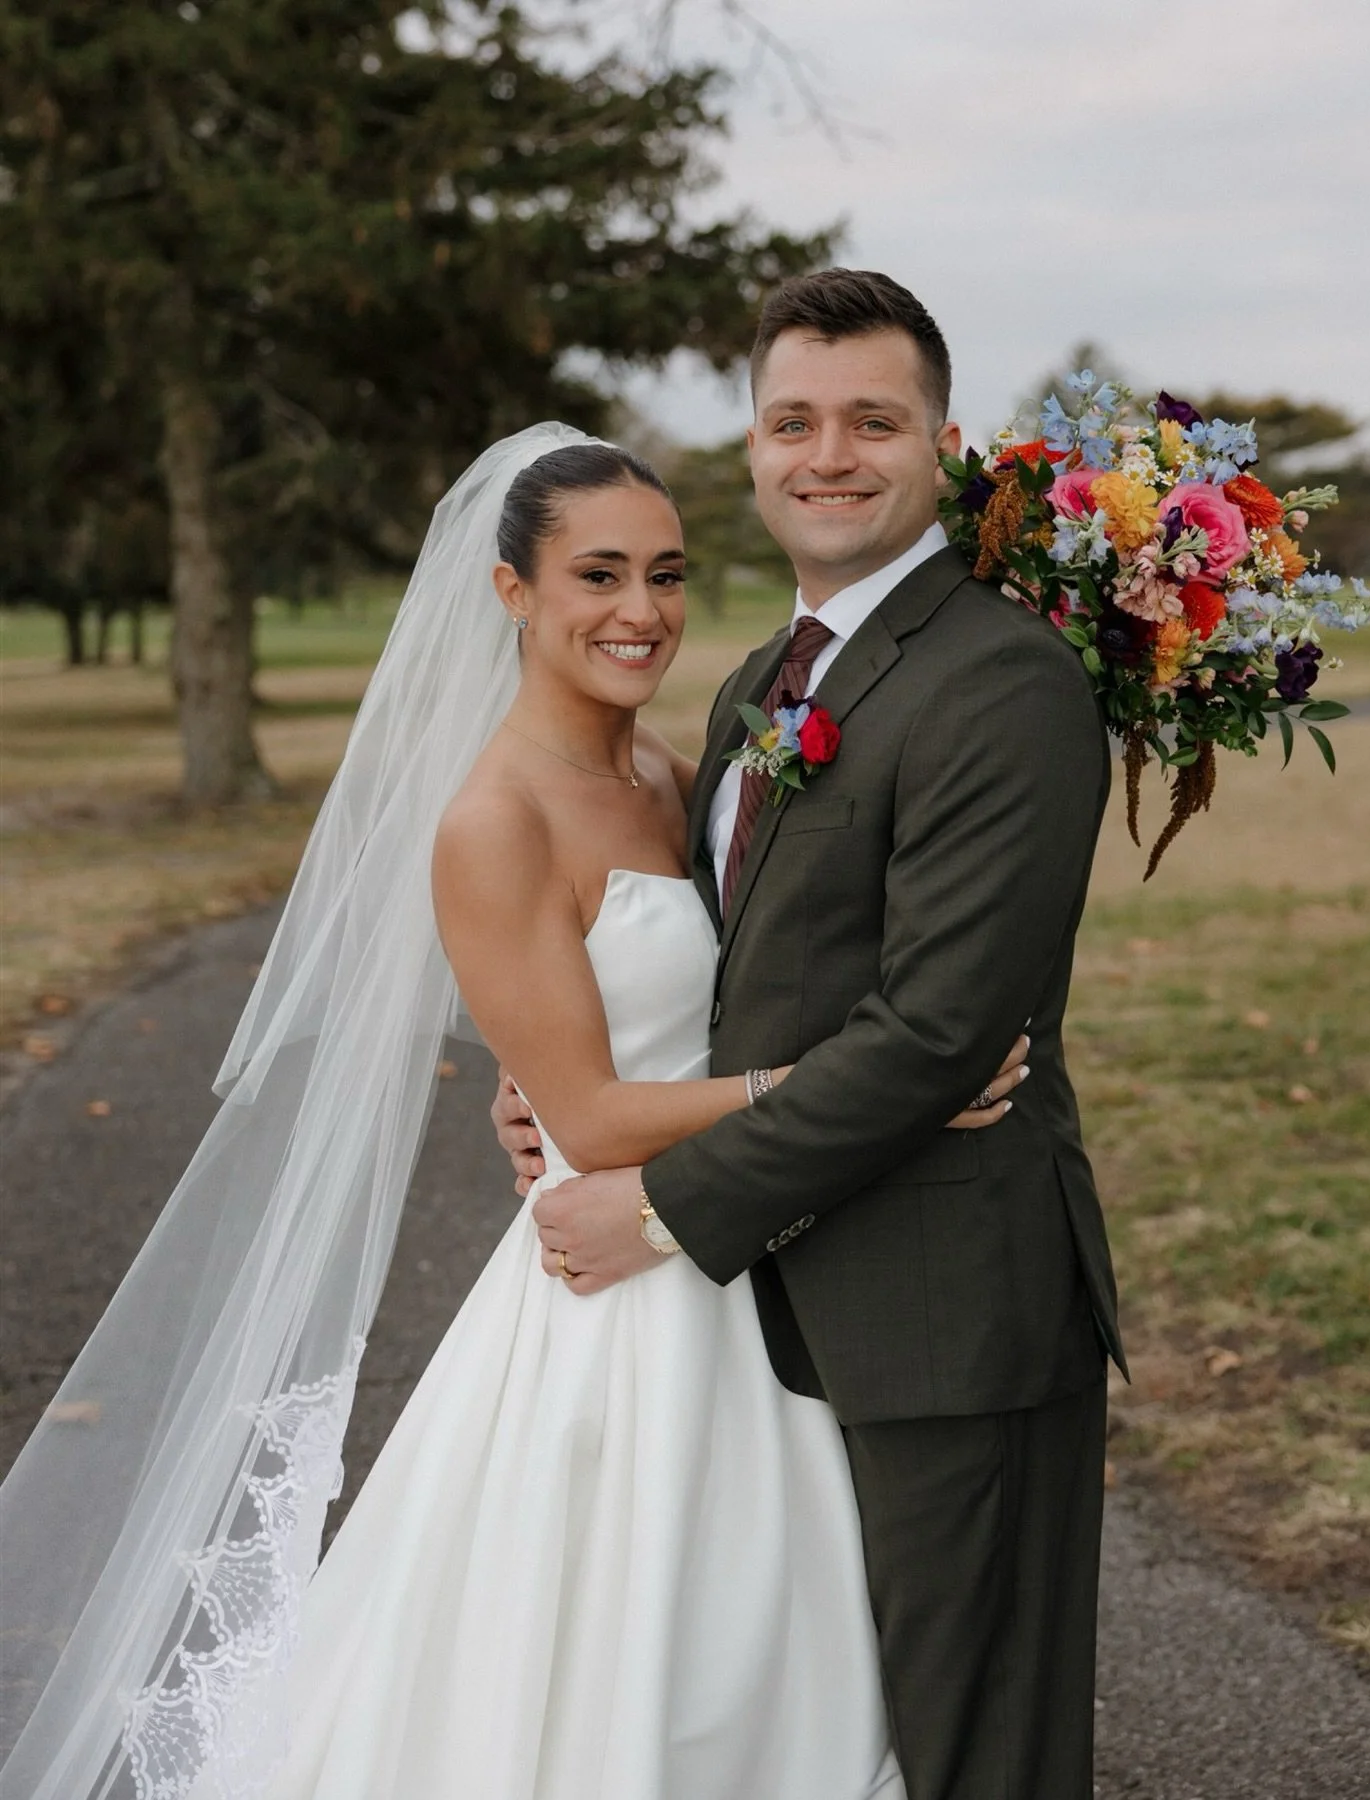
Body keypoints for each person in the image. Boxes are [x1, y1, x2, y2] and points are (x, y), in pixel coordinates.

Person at [0, 421, 1020, 1800]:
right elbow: (591, 1118)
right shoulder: (494, 820)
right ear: (510, 592)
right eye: (597, 576)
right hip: (620, 1295)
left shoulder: (679, 772)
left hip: (749, 1254)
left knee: (777, 1633)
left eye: (665, 574)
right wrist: (876, 1088)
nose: (642, 612)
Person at [493, 268, 1127, 1800]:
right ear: (756, 445)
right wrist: (571, 1098)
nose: (827, 454)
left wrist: (650, 1202)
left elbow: (934, 1040)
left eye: (871, 420)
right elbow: (718, 974)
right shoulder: (752, 691)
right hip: (758, 1325)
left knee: (970, 1745)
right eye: (793, 420)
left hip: (941, 1311)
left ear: (940, 444)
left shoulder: (1007, 682)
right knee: (807, 1740)